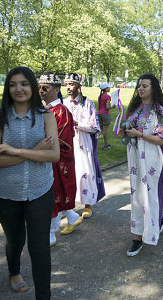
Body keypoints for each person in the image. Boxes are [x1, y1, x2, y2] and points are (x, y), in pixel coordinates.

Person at [0, 66, 60, 299]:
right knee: (15, 238)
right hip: (3, 193)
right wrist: (36, 150)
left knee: (39, 247)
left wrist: (15, 151)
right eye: (13, 84)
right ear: (7, 88)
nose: (19, 89)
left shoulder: (46, 116)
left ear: (33, 87)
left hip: (40, 190)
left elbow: (54, 155)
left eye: (24, 84)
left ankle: (43, 296)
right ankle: (14, 272)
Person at [121, 74, 163, 256]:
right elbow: (130, 129)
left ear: (153, 89)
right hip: (135, 158)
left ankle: (144, 235)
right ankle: (139, 232)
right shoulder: (135, 107)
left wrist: (139, 134)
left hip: (150, 158)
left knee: (149, 195)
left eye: (145, 86)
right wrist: (126, 130)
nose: (141, 89)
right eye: (139, 86)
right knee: (136, 196)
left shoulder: (158, 110)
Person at [39, 72, 81, 246]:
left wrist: (41, 142)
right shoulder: (44, 109)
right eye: (39, 87)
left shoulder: (60, 111)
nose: (41, 91)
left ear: (56, 89)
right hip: (45, 158)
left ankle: (51, 233)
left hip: (57, 161)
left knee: (54, 194)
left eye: (45, 88)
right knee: (55, 194)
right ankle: (71, 216)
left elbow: (60, 141)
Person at [63, 73, 105, 219]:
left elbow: (94, 126)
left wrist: (76, 124)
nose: (68, 87)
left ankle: (88, 205)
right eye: (67, 84)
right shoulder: (63, 103)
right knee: (68, 172)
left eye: (72, 84)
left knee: (85, 172)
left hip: (83, 142)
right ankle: (68, 206)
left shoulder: (88, 103)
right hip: (67, 142)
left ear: (79, 87)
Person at [97, 82, 115, 149]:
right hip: (105, 114)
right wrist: (112, 107)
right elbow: (107, 107)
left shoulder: (100, 96)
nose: (109, 88)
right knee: (105, 130)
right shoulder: (107, 97)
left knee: (100, 129)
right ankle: (106, 144)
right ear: (106, 88)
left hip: (99, 113)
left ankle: (92, 140)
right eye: (108, 87)